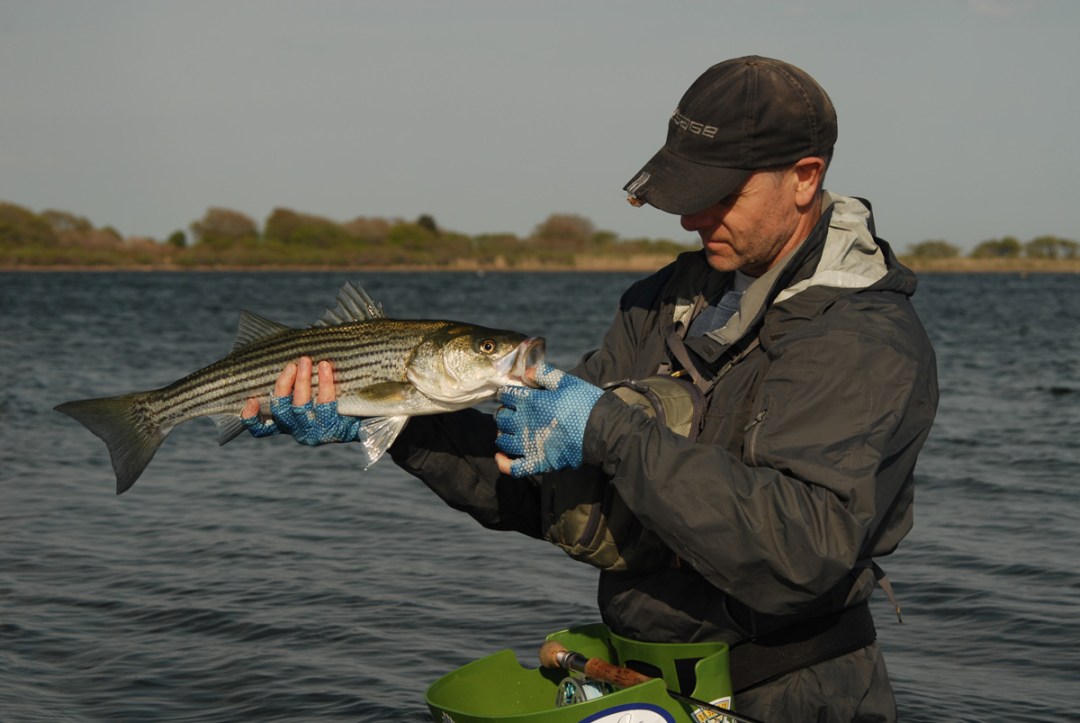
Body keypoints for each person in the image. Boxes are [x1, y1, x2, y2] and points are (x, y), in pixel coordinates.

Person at [243, 56, 939, 722]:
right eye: (684, 194)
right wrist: (399, 422)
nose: (691, 218)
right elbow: (536, 491)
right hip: (641, 686)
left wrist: (608, 428)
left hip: (791, 698)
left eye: (717, 195)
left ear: (804, 177)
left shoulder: (860, 337)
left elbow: (799, 549)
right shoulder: (661, 302)